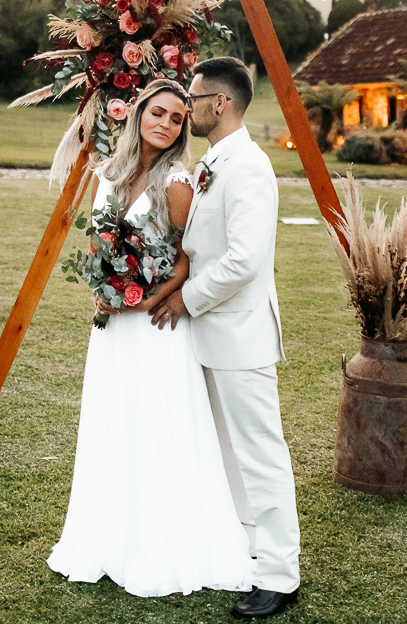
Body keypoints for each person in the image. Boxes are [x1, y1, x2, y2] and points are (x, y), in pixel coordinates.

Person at [46, 79, 254, 598]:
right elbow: (98, 242)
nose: (165, 123)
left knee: (159, 424)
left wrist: (147, 296)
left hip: (156, 326)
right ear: (139, 114)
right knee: (114, 421)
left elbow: (190, 257)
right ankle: (109, 537)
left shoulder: (179, 181)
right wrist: (102, 286)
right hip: (113, 329)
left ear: (183, 129)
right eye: (157, 113)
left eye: (177, 118)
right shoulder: (110, 173)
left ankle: (166, 543)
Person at [149, 57, 301, 619]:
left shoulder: (250, 167)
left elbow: (244, 259)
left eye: (193, 98)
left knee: (260, 453)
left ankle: (281, 574)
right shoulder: (215, 160)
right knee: (229, 453)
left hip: (239, 334)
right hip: (213, 333)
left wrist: (184, 300)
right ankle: (248, 551)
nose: (186, 108)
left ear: (220, 103)